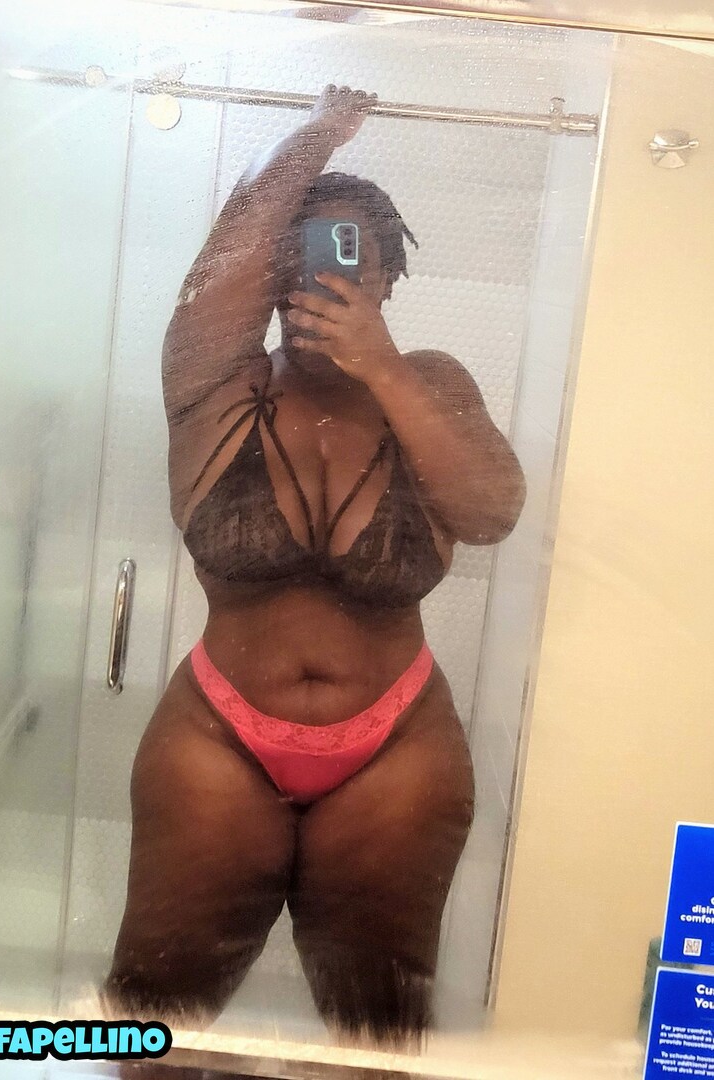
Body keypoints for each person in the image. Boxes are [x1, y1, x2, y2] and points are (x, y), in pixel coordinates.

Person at [101, 84, 525, 1048]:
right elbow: (217, 278)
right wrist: (320, 133)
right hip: (217, 737)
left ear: (388, 281)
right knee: (151, 1015)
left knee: (381, 1031)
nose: (316, 275)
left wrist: (383, 367)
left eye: (346, 259)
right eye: (298, 252)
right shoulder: (216, 383)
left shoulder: (433, 383)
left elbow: (490, 513)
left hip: (398, 748)